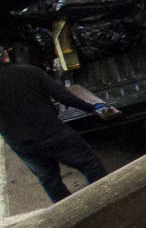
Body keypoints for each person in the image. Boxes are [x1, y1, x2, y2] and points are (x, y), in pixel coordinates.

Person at [0, 45, 118, 204]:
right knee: (89, 163)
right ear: (6, 55)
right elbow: (65, 97)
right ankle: (108, 201)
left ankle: (69, 215)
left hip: (21, 143)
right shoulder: (29, 72)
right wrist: (93, 108)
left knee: (49, 180)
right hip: (51, 132)